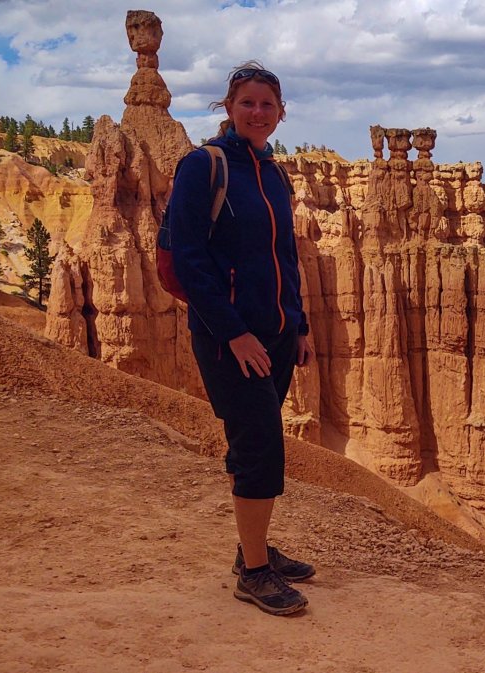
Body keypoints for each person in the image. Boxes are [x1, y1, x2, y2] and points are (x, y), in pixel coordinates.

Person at [168, 61, 314, 616]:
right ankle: (254, 573)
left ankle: (252, 550)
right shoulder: (203, 167)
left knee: (256, 442)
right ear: (229, 108)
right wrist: (233, 334)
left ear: (279, 114)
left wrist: (297, 324)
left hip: (276, 336)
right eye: (247, 103)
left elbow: (285, 257)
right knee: (259, 450)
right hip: (229, 338)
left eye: (267, 105)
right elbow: (190, 259)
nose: (257, 113)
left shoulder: (273, 175)